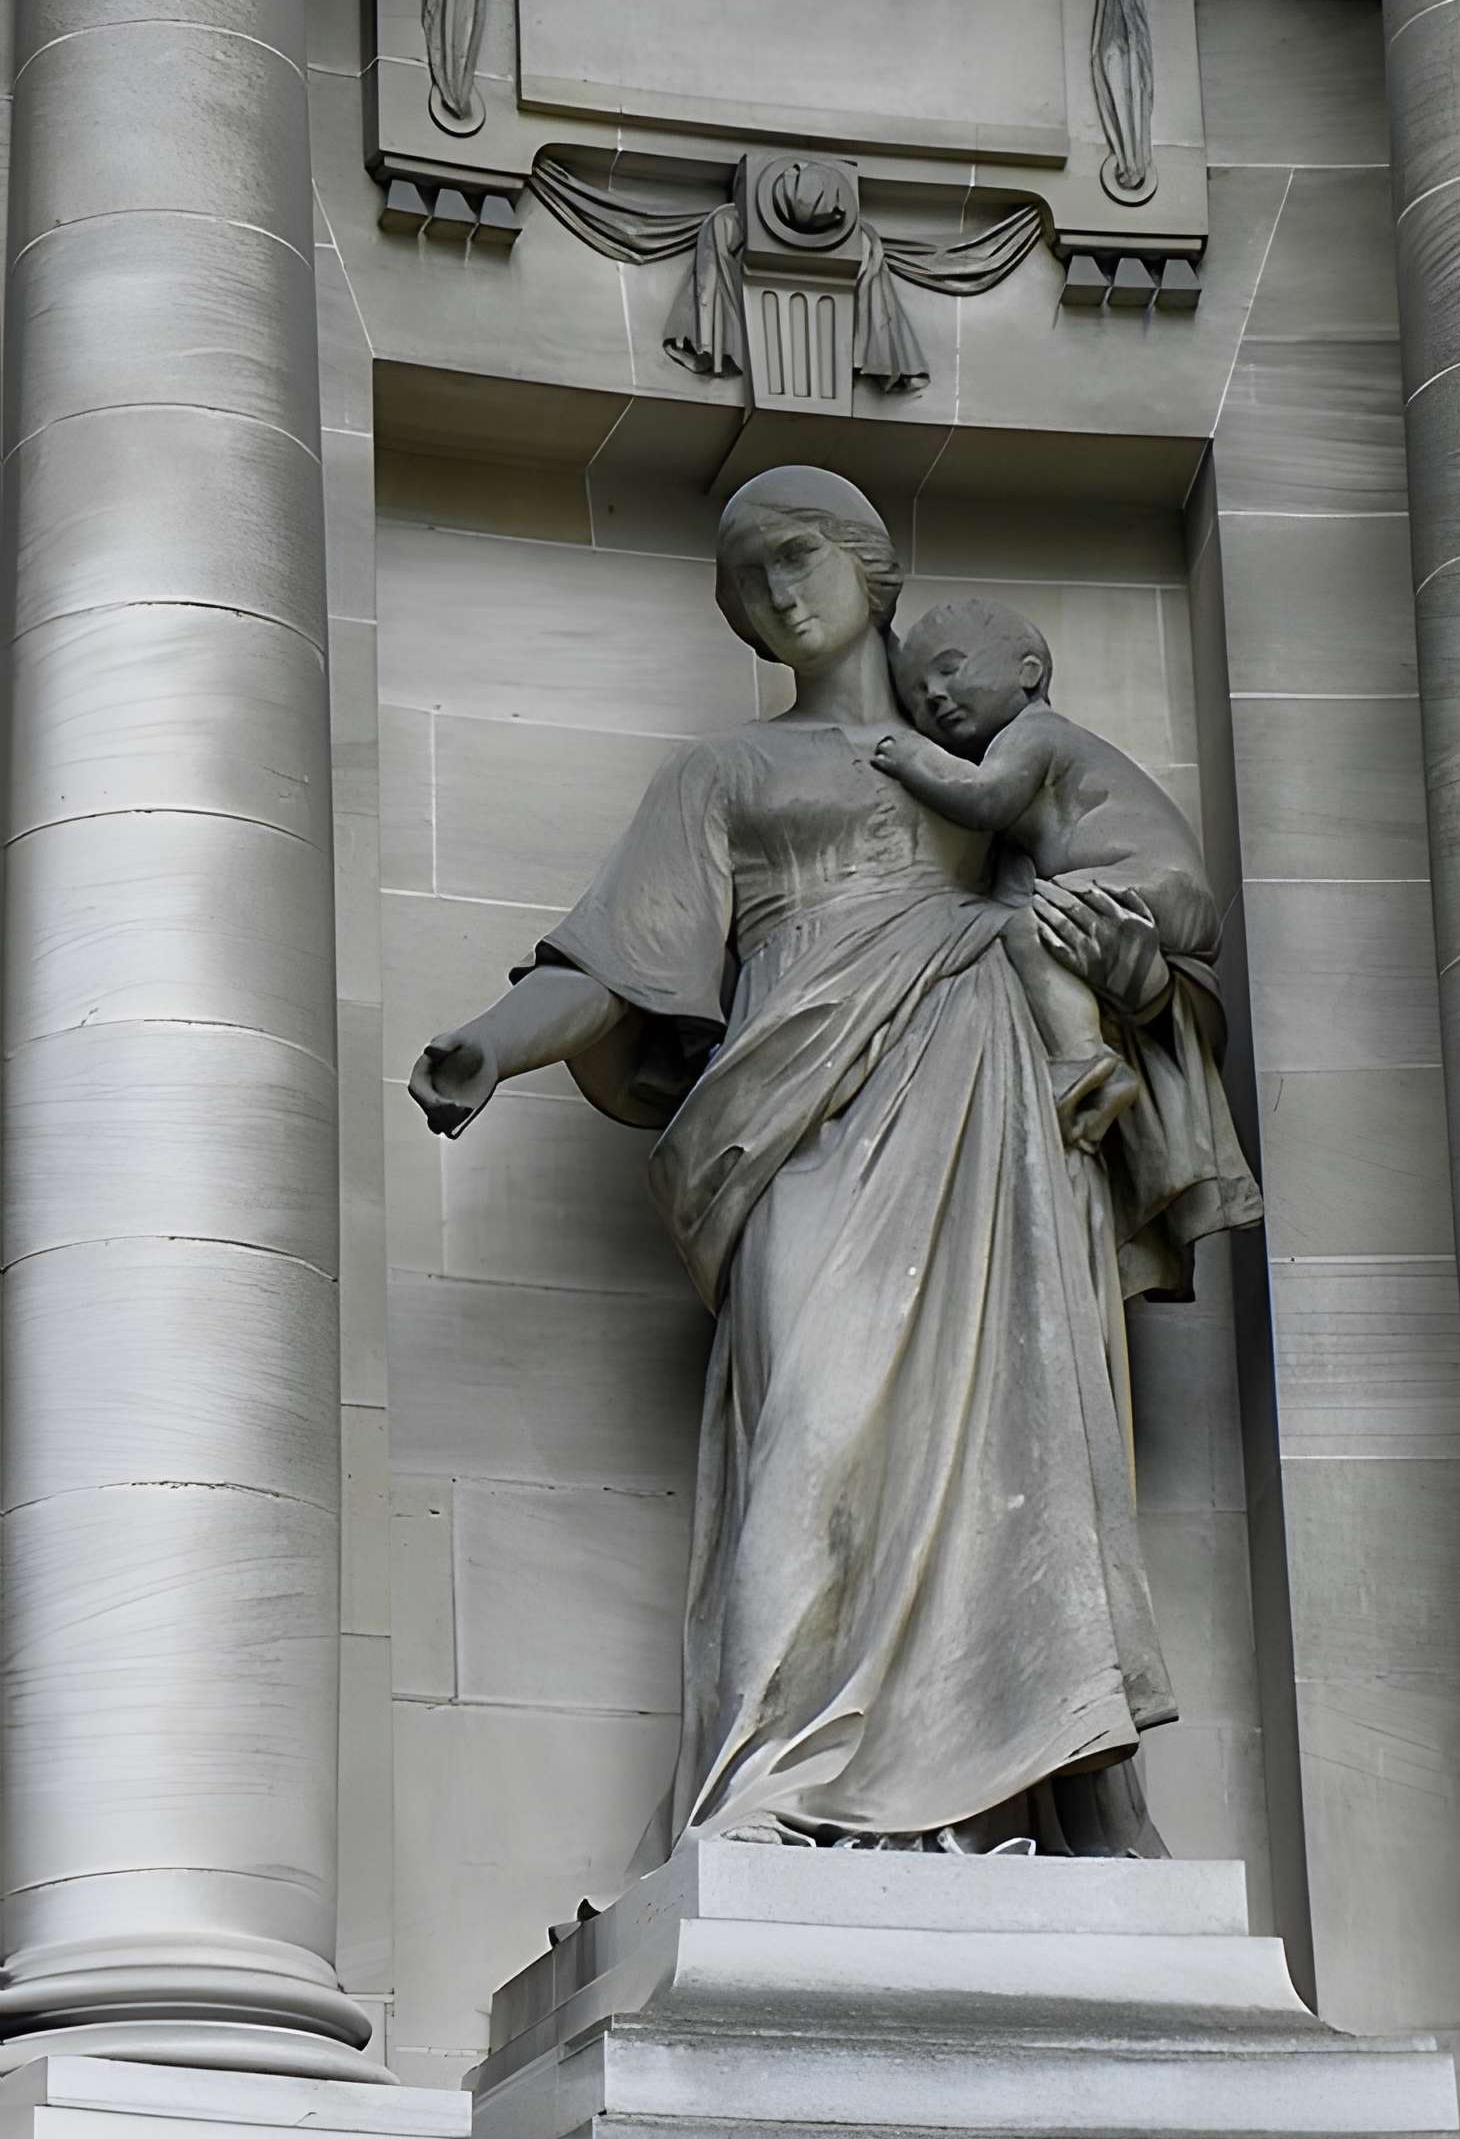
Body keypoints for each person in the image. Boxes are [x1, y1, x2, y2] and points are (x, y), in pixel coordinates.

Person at [408, 466, 1260, 1858]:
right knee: (810, 1427)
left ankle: (1061, 1773)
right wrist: (494, 1044)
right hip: (795, 1110)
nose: (778, 592)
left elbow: (1137, 903)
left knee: (1025, 1435)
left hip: (987, 1090)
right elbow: (616, 961)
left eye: (799, 558)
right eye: (748, 578)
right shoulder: (726, 774)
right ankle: (771, 1775)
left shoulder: (999, 752)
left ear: (875, 572)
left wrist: (1127, 962)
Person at [876, 597, 1219, 1155]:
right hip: (1155, 888)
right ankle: (1088, 1060)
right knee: (1029, 925)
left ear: (1028, 673)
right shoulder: (1030, 746)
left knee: (1030, 925)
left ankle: (1086, 1059)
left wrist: (913, 760)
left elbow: (984, 799)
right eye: (916, 693)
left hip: (1151, 883)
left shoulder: (1035, 734)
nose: (933, 694)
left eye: (949, 668)